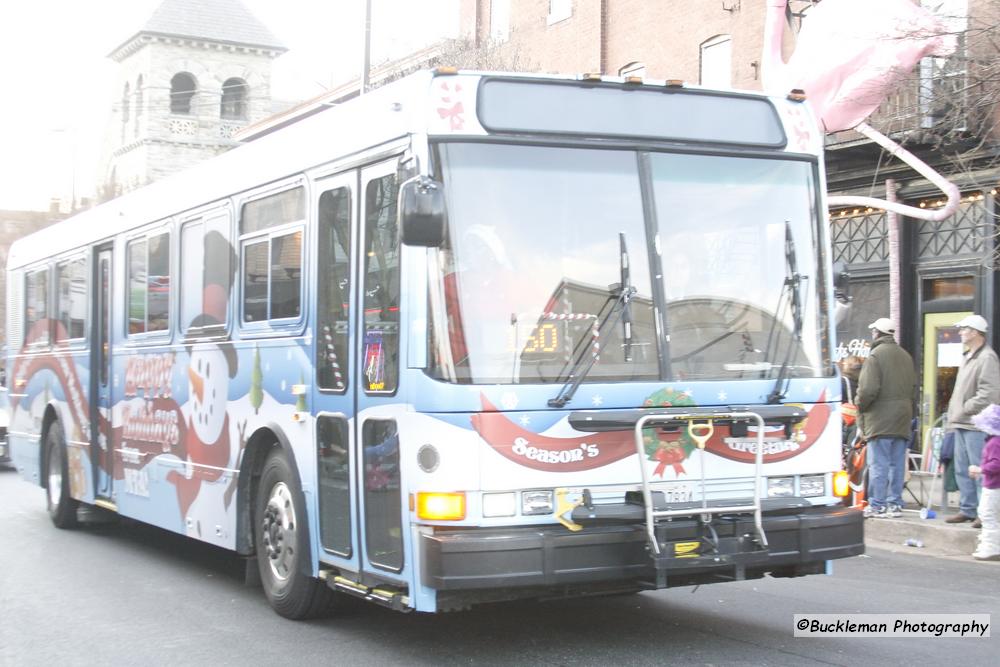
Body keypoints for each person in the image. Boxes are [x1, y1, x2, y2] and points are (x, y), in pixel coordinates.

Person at [855, 317, 916, 518]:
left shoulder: (875, 356)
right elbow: (913, 389)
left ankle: (877, 504)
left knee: (878, 464)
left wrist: (859, 406)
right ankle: (895, 504)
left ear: (877, 333)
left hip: (880, 420)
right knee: (897, 464)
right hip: (902, 419)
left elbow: (867, 391)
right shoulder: (906, 356)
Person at [945, 314, 1000, 527]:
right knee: (962, 468)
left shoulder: (987, 357)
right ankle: (967, 508)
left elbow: (990, 392)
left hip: (976, 422)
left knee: (979, 467)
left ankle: (982, 511)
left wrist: (966, 408)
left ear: (975, 332)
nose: (960, 333)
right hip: (961, 421)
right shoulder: (969, 356)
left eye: (964, 329)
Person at [969, 404, 1000, 560]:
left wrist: (981, 470)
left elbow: (997, 464)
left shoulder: (994, 442)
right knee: (992, 515)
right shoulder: (995, 441)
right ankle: (991, 546)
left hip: (994, 486)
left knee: (987, 515)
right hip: (994, 485)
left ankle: (991, 547)